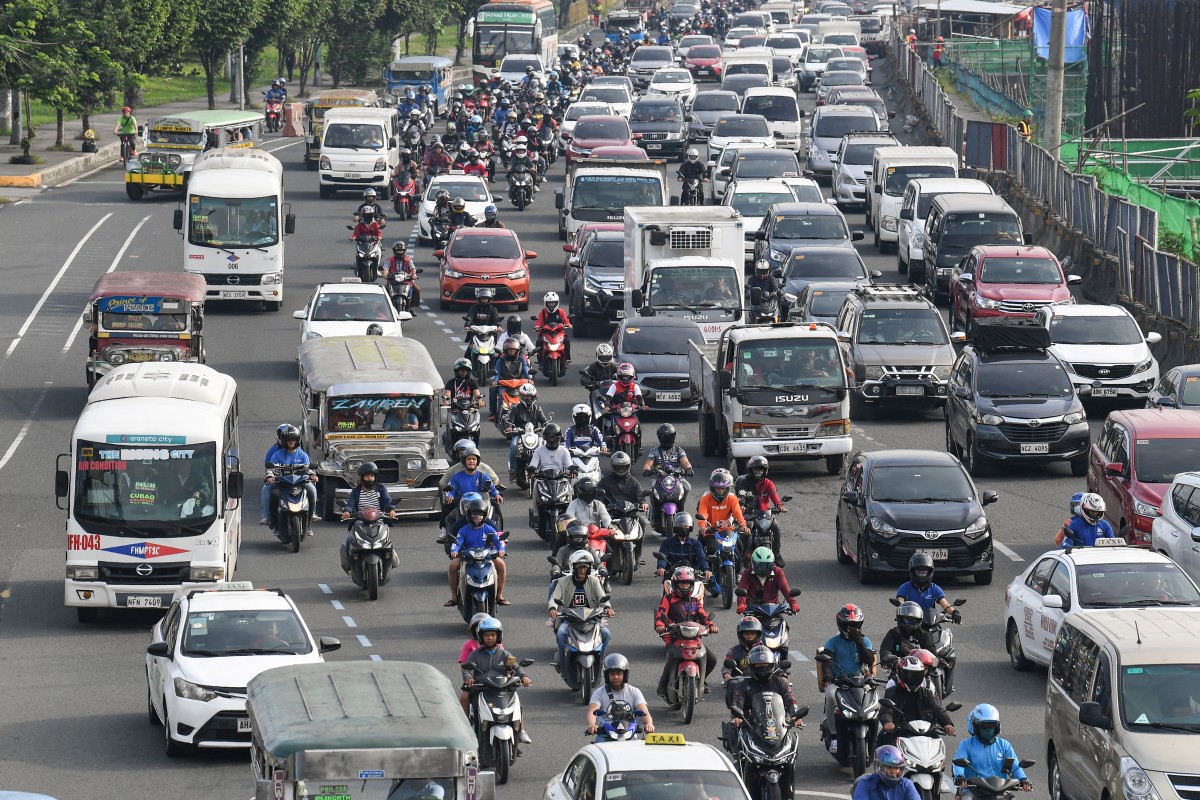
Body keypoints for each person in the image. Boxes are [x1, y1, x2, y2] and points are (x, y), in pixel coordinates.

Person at [460, 618, 532, 743]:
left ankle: (521, 731)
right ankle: (466, 729)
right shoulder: (475, 655)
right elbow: (467, 669)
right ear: (481, 637)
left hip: (502, 688)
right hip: (482, 689)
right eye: (487, 635)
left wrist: (524, 677)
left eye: (493, 635)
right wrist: (469, 678)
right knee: (472, 703)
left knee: (516, 704)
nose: (490, 638)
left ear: (498, 636)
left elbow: (516, 667)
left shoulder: (505, 654)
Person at [654, 565, 719, 698]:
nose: (684, 586)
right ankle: (662, 685)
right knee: (672, 658)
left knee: (711, 659)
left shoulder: (695, 601)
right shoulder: (668, 598)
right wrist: (660, 625)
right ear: (676, 584)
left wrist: (711, 625)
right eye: (682, 583)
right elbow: (661, 614)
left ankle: (701, 680)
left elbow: (704, 616)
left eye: (687, 583)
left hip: (693, 639)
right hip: (674, 637)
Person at [819, 604, 875, 754]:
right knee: (831, 696)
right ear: (841, 624)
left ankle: (873, 737)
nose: (852, 628)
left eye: (855, 625)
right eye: (849, 625)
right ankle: (835, 735)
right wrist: (828, 675)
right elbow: (827, 660)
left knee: (874, 699)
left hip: (860, 682)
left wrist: (859, 642)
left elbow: (870, 660)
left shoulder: (866, 641)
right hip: (839, 682)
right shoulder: (833, 641)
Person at [728, 646, 804, 756]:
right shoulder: (743, 685)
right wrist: (737, 718)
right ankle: (739, 759)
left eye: (766, 666)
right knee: (736, 735)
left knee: (791, 743)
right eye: (758, 666)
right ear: (751, 667)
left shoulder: (780, 683)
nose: (763, 669)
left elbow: (790, 700)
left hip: (777, 723)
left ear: (772, 665)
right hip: (750, 723)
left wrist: (794, 716)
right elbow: (737, 703)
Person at [549, 550, 614, 677]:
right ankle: (564, 665)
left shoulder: (594, 581)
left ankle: (600, 662)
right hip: (570, 619)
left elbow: (602, 596)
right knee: (561, 634)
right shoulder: (563, 581)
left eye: (585, 567)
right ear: (573, 567)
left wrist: (607, 608)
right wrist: (552, 608)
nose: (582, 570)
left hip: (591, 619)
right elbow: (554, 597)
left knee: (606, 634)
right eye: (580, 567)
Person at [878, 655, 954, 747]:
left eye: (917, 675)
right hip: (899, 733)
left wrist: (947, 723)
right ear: (901, 673)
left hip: (925, 733)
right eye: (910, 675)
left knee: (939, 748)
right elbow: (886, 710)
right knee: (882, 742)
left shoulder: (926, 693)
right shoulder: (892, 692)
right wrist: (888, 722)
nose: (913, 678)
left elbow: (937, 709)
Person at [952, 705, 1032, 792]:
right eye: (984, 725)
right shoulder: (966, 744)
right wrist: (960, 777)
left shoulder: (1005, 745)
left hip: (1001, 791)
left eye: (991, 725)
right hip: (972, 791)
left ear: (997, 727)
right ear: (976, 726)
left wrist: (1023, 779)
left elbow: (1015, 767)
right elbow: (958, 764)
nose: (988, 729)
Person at [447, 497, 508, 606]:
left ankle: (499, 595)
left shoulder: (489, 528)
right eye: (474, 514)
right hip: (467, 556)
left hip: (487, 556)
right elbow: (457, 541)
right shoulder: (463, 529)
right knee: (452, 566)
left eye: (480, 514)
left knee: (501, 565)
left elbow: (498, 541)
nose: (477, 517)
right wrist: (454, 551)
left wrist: (501, 550)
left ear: (484, 515)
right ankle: (454, 597)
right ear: (468, 514)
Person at [735, 455, 786, 565]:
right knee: (746, 527)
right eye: (756, 469)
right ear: (751, 470)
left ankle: (776, 554)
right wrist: (742, 505)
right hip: (749, 513)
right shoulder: (743, 481)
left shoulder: (768, 483)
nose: (758, 472)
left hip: (765, 513)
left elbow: (774, 495)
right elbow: (741, 495)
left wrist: (779, 506)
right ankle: (743, 554)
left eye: (761, 469)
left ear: (765, 471)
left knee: (776, 528)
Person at [261, 423, 316, 525]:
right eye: (289, 439)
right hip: (281, 482)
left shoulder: (303, 455)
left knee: (312, 489)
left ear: (297, 440)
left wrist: (312, 475)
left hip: (300, 482)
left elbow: (307, 468)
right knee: (270, 491)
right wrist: (270, 476)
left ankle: (312, 515)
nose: (291, 442)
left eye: (293, 439)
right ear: (284, 441)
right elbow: (270, 468)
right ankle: (268, 517)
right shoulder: (276, 454)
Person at [587, 654, 656, 734]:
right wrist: (592, 725)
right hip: (605, 736)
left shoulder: (634, 691)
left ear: (624, 674)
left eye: (619, 673)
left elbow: (643, 711)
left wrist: (648, 724)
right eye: (612, 674)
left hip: (629, 736)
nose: (616, 677)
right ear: (607, 675)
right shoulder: (599, 692)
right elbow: (592, 712)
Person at [598, 451, 652, 541]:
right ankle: (604, 552)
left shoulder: (633, 481)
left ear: (628, 466)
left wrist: (642, 503)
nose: (621, 469)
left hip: (630, 515)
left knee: (642, 523)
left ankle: (637, 553)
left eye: (623, 467)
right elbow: (599, 497)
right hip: (612, 515)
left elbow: (639, 495)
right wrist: (602, 505)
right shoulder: (605, 481)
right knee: (601, 527)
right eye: (618, 467)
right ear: (613, 466)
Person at [696, 468, 747, 556]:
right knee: (710, 549)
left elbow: (737, 513)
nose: (720, 491)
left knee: (739, 550)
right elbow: (702, 513)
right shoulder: (705, 499)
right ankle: (708, 569)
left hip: (728, 531)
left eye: (723, 488)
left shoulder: (732, 498)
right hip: (711, 532)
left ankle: (737, 570)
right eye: (718, 488)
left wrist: (743, 526)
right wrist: (703, 526)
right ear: (713, 488)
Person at [736, 547, 799, 614]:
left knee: (783, 624)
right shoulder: (747, 573)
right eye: (760, 565)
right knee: (745, 624)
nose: (763, 569)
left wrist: (793, 603)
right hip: (753, 610)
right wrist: (741, 604)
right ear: (753, 563)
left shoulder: (778, 572)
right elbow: (743, 588)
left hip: (773, 610)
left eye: (766, 565)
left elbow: (784, 588)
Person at [656, 512, 711, 586]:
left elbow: (702, 558)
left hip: (691, 577)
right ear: (675, 527)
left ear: (690, 527)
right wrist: (661, 567)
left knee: (701, 592)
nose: (683, 528)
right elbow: (663, 556)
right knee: (666, 591)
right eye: (680, 525)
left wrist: (706, 569)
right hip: (672, 576)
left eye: (686, 526)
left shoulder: (695, 544)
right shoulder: (667, 543)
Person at [879, 601, 936, 671]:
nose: (909, 623)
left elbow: (931, 651)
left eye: (913, 620)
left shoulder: (924, 635)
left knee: (934, 675)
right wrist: (888, 657)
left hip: (920, 671)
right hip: (898, 672)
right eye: (907, 619)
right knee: (891, 682)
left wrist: (935, 659)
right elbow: (885, 650)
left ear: (918, 620)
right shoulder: (893, 633)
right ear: (900, 618)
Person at [853, 746, 921, 800]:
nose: (893, 771)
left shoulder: (906, 785)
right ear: (879, 766)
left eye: (896, 768)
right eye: (889, 767)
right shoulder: (865, 783)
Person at [492, 338, 532, 422]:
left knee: (531, 393)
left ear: (517, 350)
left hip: (519, 385)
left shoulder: (521, 360)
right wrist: (495, 381)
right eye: (510, 349)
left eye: (513, 349)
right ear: (506, 349)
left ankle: (531, 411)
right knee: (493, 390)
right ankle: (495, 413)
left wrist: (529, 379)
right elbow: (497, 372)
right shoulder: (500, 360)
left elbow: (525, 370)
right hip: (504, 385)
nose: (511, 351)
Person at [722, 616, 765, 684]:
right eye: (746, 633)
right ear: (741, 634)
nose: (749, 636)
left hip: (761, 682)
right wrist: (727, 675)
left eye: (753, 633)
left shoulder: (764, 650)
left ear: (758, 634)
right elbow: (726, 667)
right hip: (740, 684)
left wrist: (782, 675)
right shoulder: (734, 651)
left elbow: (774, 665)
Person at [534, 292, 572, 366]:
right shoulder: (543, 312)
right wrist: (537, 326)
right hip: (546, 332)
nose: (551, 304)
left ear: (556, 303)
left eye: (553, 303)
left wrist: (568, 324)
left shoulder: (561, 311)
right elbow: (539, 321)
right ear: (546, 303)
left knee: (567, 341)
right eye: (549, 303)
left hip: (559, 332)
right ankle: (540, 360)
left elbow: (565, 319)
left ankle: (566, 359)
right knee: (539, 342)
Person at [385, 241, 421, 309]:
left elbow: (412, 268)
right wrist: (385, 274)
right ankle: (386, 308)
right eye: (398, 250)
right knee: (384, 291)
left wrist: (413, 274)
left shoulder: (408, 260)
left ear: (404, 250)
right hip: (392, 281)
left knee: (417, 290)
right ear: (394, 251)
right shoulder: (390, 260)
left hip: (406, 280)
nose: (399, 252)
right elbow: (385, 269)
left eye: (401, 250)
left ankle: (411, 307)